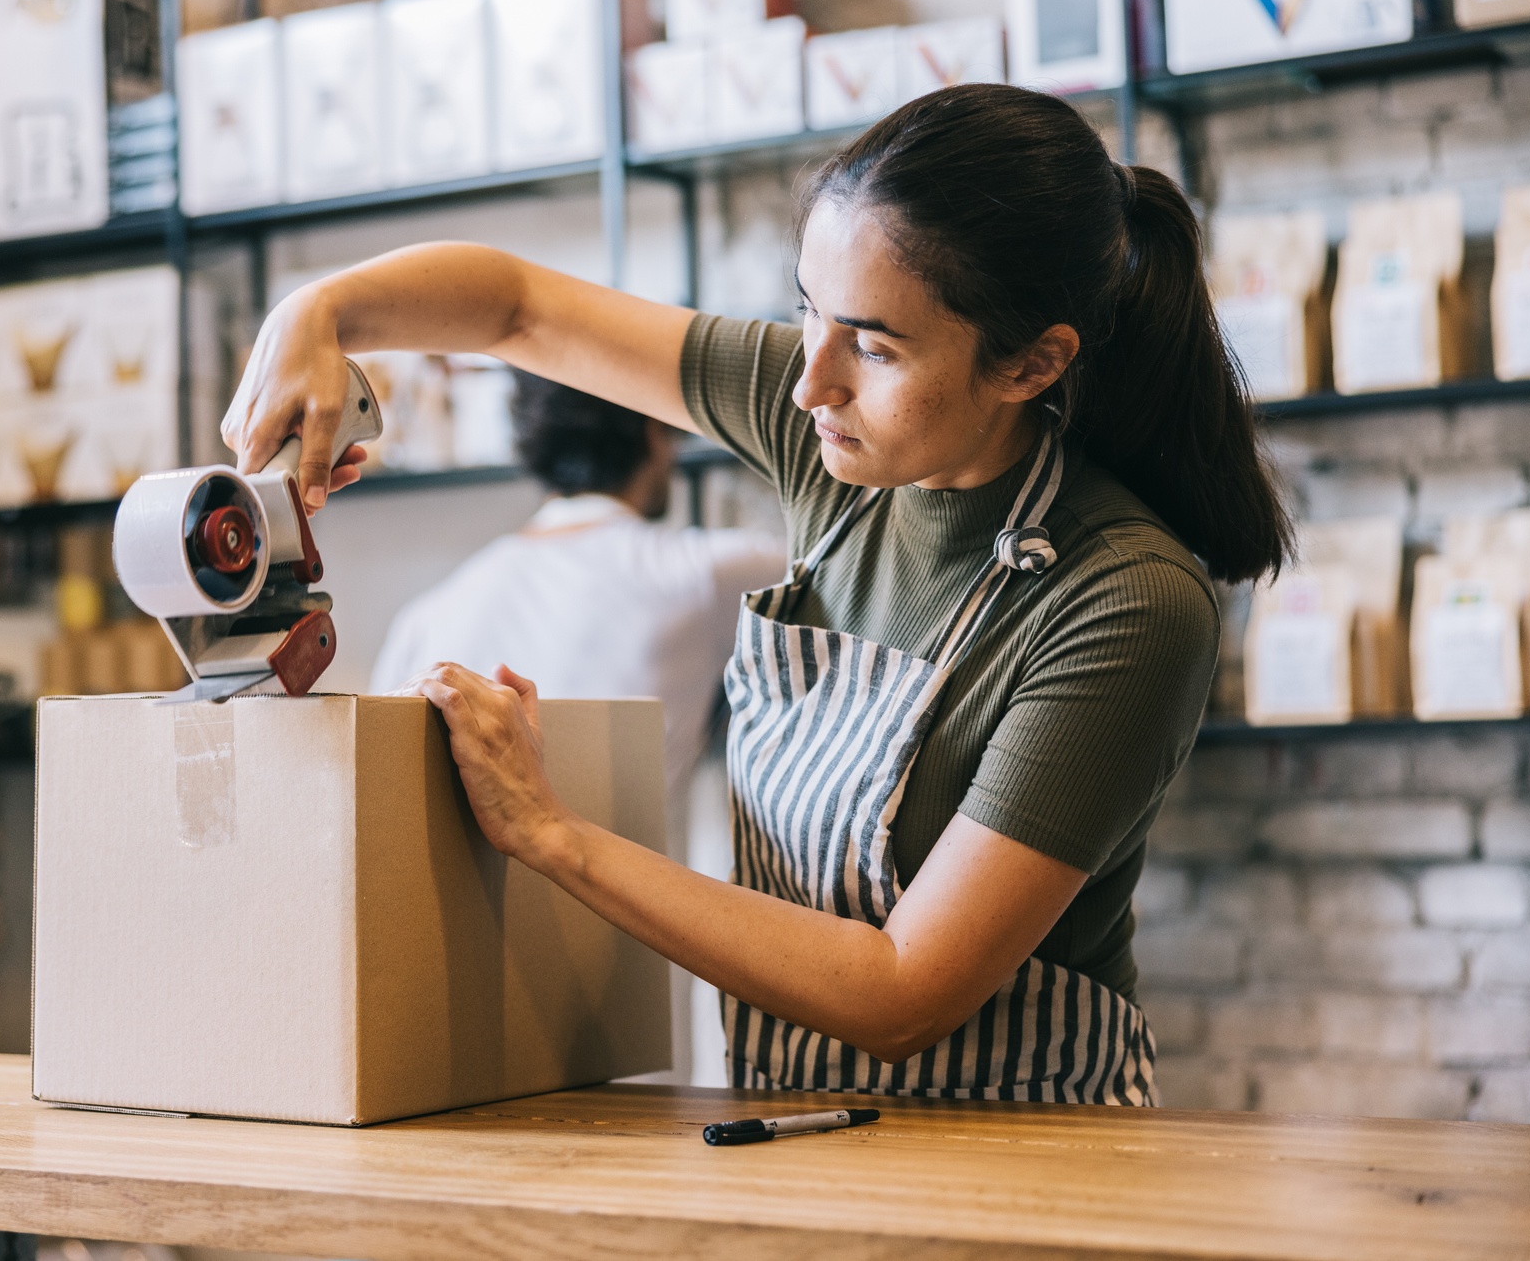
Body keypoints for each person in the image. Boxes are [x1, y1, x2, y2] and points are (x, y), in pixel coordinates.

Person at [222, 84, 1288, 1104]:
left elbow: (903, 990)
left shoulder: (1125, 601)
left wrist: (552, 834)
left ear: (1029, 365)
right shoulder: (828, 439)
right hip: (794, 1127)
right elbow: (513, 308)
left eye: (871, 344)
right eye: (805, 314)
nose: (806, 380)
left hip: (1024, 1164)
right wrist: (315, 314)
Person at [369, 373, 783, 818]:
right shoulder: (703, 576)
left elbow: (380, 792)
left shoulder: (428, 614)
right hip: (633, 886)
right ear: (653, 433)